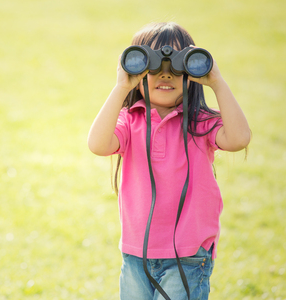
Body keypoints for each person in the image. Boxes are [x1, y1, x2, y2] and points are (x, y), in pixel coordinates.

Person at [87, 22, 251, 300]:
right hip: (136, 253)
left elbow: (238, 139)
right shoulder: (130, 120)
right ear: (136, 69)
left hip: (188, 256)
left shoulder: (200, 122)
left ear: (191, 70)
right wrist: (120, 87)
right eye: (152, 66)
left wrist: (217, 82)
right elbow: (97, 144)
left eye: (177, 66)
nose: (166, 74)